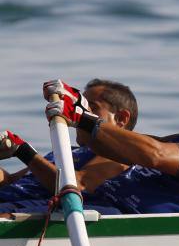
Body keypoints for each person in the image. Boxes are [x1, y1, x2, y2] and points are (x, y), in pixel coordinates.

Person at [43, 72, 179, 214]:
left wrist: (82, 117)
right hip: (93, 205)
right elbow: (109, 145)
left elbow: (155, 155)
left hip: (120, 221)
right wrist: (82, 106)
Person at [0, 79, 138, 213]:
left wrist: (23, 151)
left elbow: (77, 186)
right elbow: (10, 180)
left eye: (92, 107)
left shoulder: (117, 156)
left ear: (121, 119)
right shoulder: (66, 151)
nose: (83, 112)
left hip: (26, 208)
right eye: (82, 107)